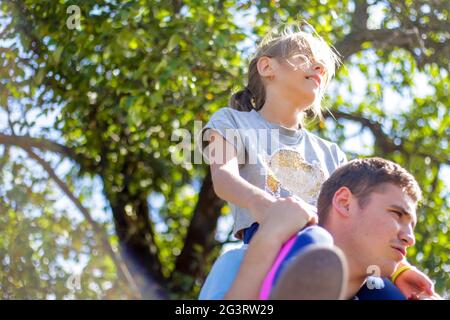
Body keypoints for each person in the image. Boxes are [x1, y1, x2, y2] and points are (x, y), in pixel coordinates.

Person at [199, 21, 434, 299]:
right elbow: (224, 179)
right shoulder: (231, 121)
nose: (319, 68)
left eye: (322, 66)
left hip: (336, 260)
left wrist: (399, 269)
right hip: (279, 241)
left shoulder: (332, 152)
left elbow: (360, 222)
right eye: (304, 58)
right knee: (315, 240)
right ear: (267, 67)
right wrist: (270, 209)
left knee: (390, 293)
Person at [201, 158, 440, 300]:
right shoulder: (242, 263)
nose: (409, 238)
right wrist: (269, 238)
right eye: (397, 214)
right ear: (344, 203)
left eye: (412, 226)